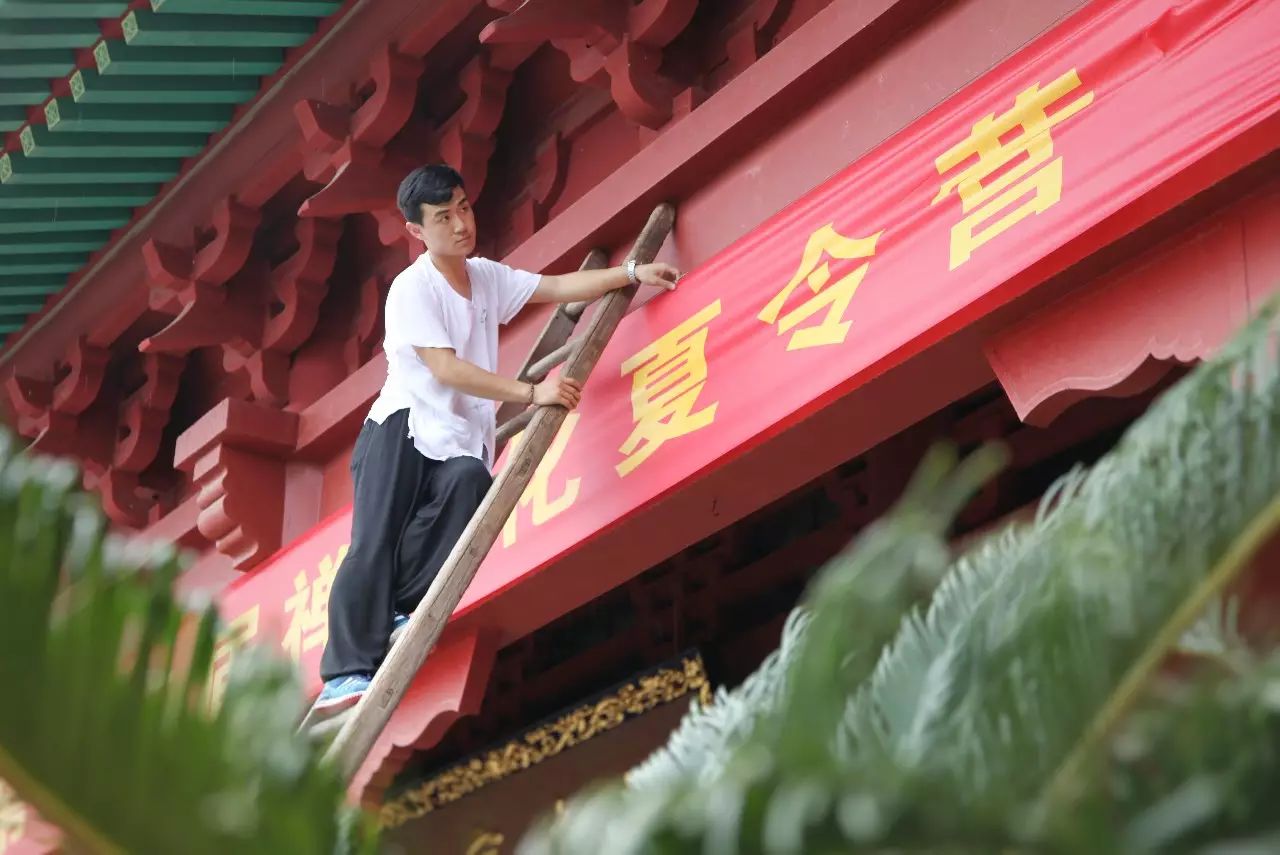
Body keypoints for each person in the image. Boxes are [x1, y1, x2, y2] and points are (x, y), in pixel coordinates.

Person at [315, 164, 681, 710]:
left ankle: (397, 606)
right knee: (374, 543)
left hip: (458, 438)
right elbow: (444, 368)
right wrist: (531, 394)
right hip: (402, 428)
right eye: (444, 217)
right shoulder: (411, 289)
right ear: (417, 231)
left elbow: (554, 287)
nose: (461, 224)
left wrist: (630, 273)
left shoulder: (482, 275)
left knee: (468, 484)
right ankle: (344, 673)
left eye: (463, 207)